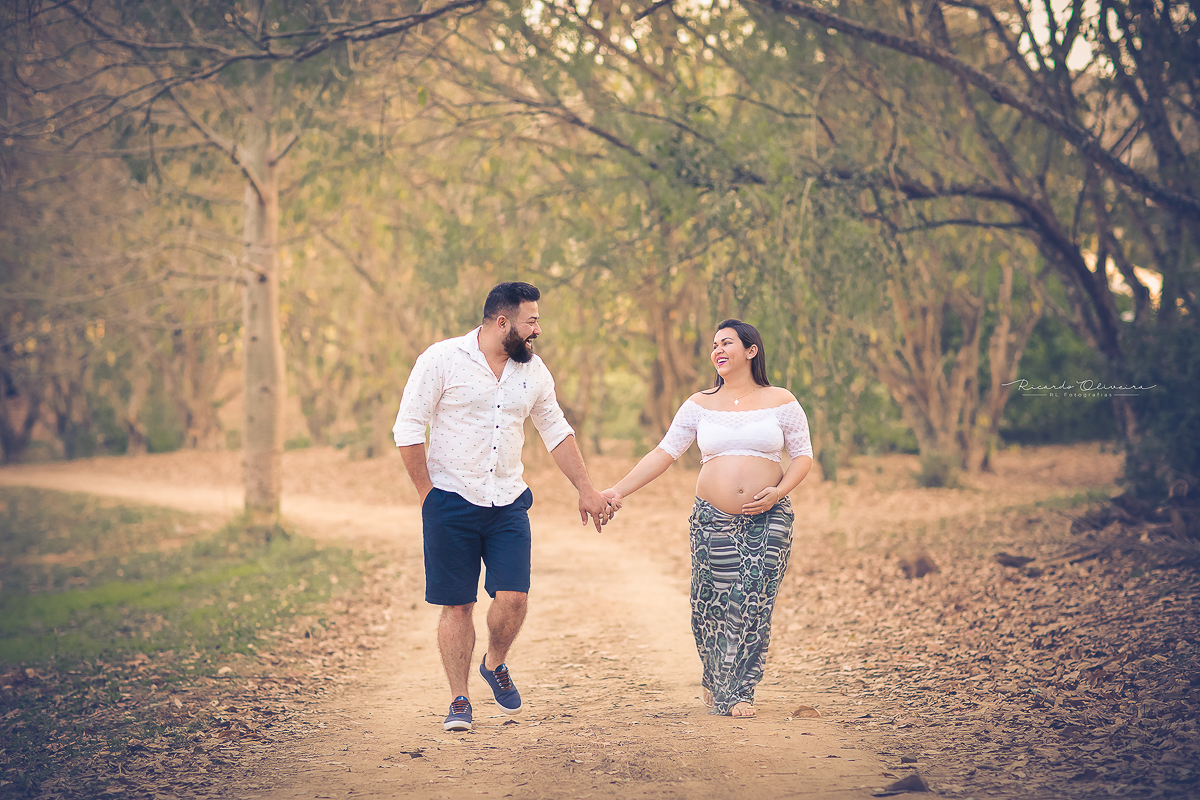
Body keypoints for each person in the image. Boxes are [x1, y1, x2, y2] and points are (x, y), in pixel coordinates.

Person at [393, 281, 615, 732]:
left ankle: (494, 663)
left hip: (508, 501)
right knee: (457, 605)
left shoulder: (533, 372)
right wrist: (426, 495)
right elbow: (408, 427)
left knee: (514, 598)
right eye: (530, 321)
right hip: (449, 500)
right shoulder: (441, 359)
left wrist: (586, 489)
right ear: (502, 322)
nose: (537, 330)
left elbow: (556, 431)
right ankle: (459, 699)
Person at [602, 319, 813, 718]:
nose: (717, 350)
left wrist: (779, 492)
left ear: (751, 351)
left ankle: (739, 691)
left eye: (727, 343)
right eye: (714, 344)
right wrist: (618, 490)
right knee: (710, 603)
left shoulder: (782, 400)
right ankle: (716, 675)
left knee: (753, 599)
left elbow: (803, 455)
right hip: (711, 520)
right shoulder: (699, 403)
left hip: (769, 517)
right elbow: (664, 453)